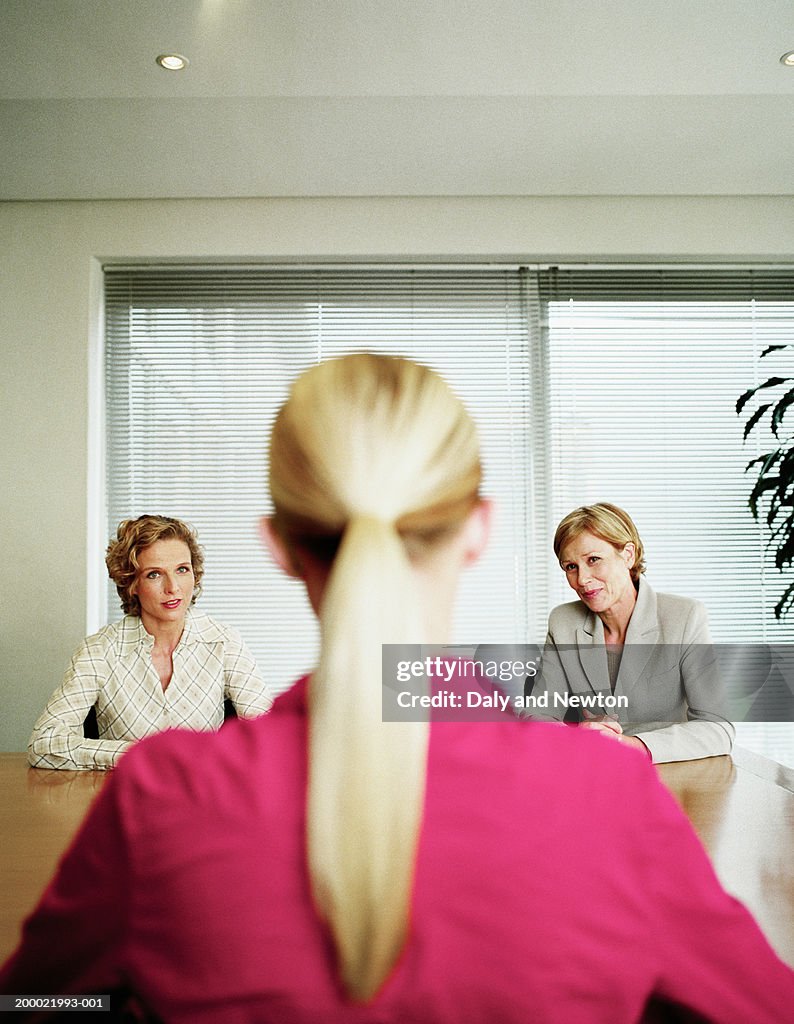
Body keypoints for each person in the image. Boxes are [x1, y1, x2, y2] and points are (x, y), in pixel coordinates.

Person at [2, 354, 792, 1022]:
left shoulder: (157, 797)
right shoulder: (610, 795)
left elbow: (33, 1003)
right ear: (478, 529)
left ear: (277, 546)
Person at [27, 515, 272, 770]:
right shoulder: (99, 651)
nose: (173, 587)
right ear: (132, 583)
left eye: (182, 569)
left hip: (202, 798)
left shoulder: (224, 642)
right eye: (154, 574)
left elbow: (268, 737)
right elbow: (44, 743)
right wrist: (141, 754)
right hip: (125, 799)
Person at [532, 502, 734, 763]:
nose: (582, 579)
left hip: (672, 778)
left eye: (593, 560)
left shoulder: (684, 617)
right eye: (571, 567)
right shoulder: (563, 622)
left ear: (628, 554)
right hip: (596, 778)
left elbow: (718, 728)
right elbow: (537, 717)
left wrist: (631, 745)